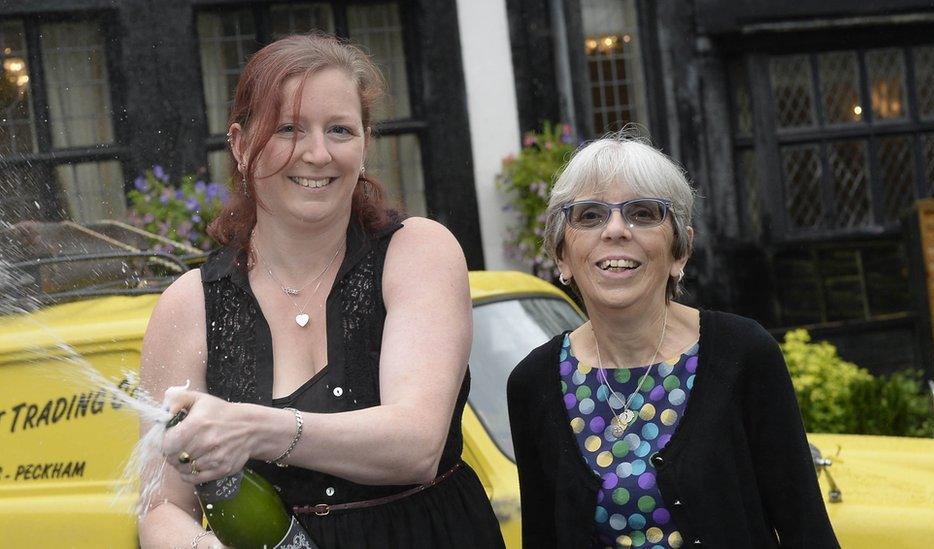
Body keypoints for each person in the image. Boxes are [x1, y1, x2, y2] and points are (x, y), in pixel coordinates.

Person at [138, 33, 503, 548]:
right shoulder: (189, 305)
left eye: (339, 130)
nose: (316, 153)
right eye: (288, 129)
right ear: (240, 145)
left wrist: (253, 429)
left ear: (365, 143)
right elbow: (160, 506)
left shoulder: (419, 252)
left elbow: (416, 446)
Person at [507, 133, 839, 548]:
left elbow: (806, 530)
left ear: (680, 251)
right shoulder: (533, 383)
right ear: (561, 256)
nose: (615, 230)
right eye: (589, 215)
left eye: (643, 213)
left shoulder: (743, 354)